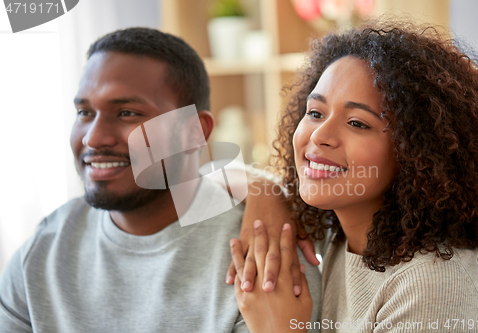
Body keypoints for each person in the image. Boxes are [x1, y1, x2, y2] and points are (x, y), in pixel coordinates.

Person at [0, 27, 322, 332]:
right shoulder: (43, 252)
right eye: (85, 113)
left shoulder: (264, 256)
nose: (94, 138)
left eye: (127, 112)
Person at [228, 21, 478, 332]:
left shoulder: (433, 285)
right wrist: (267, 195)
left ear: (417, 150)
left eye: (357, 123)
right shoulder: (342, 231)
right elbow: (209, 173)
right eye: (315, 113)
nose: (319, 136)